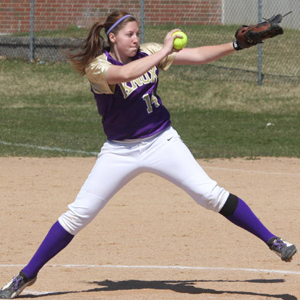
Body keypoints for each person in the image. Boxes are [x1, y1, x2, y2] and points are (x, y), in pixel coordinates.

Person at [0, 11, 297, 299]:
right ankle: (26, 274)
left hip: (162, 141)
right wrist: (165, 50)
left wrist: (237, 44)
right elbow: (126, 73)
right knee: (79, 214)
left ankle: (273, 241)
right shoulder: (98, 67)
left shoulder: (148, 52)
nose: (135, 39)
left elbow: (197, 55)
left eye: (138, 33)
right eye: (129, 34)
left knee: (210, 195)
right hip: (120, 151)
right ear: (112, 37)